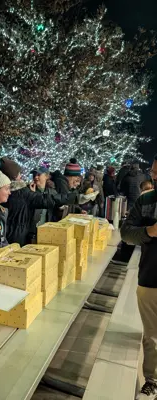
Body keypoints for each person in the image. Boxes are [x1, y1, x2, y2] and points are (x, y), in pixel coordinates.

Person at [121, 155, 157, 399]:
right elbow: (126, 232)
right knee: (152, 335)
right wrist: (149, 232)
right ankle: (151, 379)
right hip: (150, 277)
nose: (154, 176)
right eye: (153, 171)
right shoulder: (146, 201)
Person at [0, 159, 77, 246]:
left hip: (35, 234)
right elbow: (43, 200)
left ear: (46, 176)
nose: (36, 177)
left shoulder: (47, 191)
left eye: (39, 174)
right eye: (35, 174)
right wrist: (75, 197)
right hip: (24, 237)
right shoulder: (25, 192)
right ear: (14, 176)